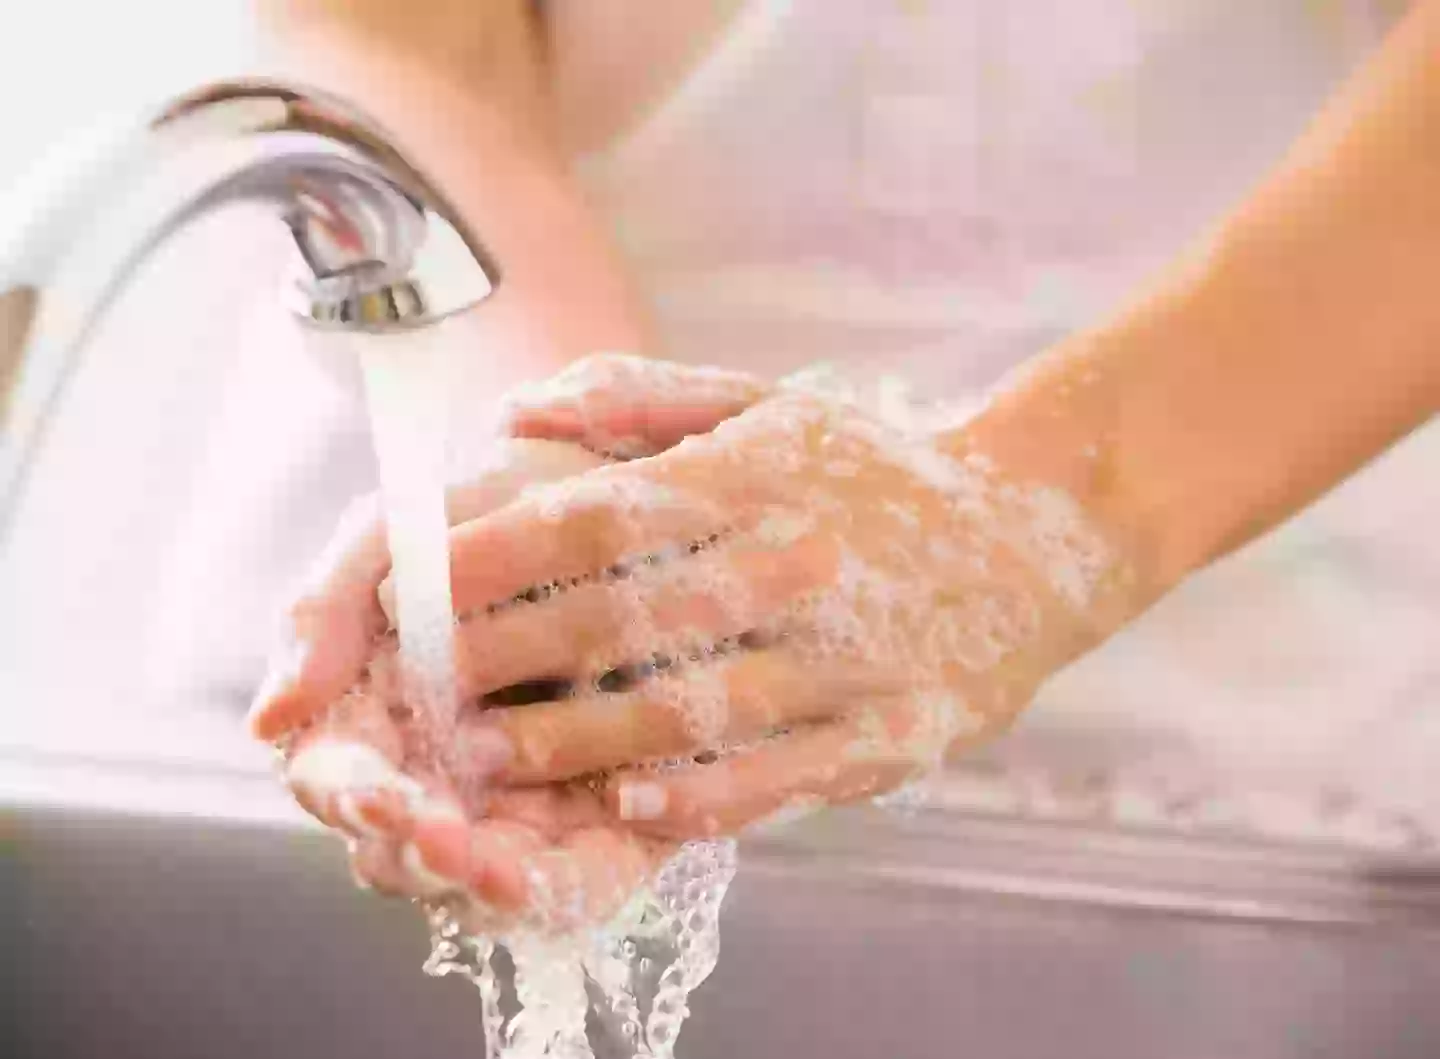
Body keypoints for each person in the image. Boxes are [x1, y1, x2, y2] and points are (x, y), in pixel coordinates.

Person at [244, 0, 1437, 929]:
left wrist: (1054, 508)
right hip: (484, 589)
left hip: (1262, 725)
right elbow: (406, 33)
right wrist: (566, 489)